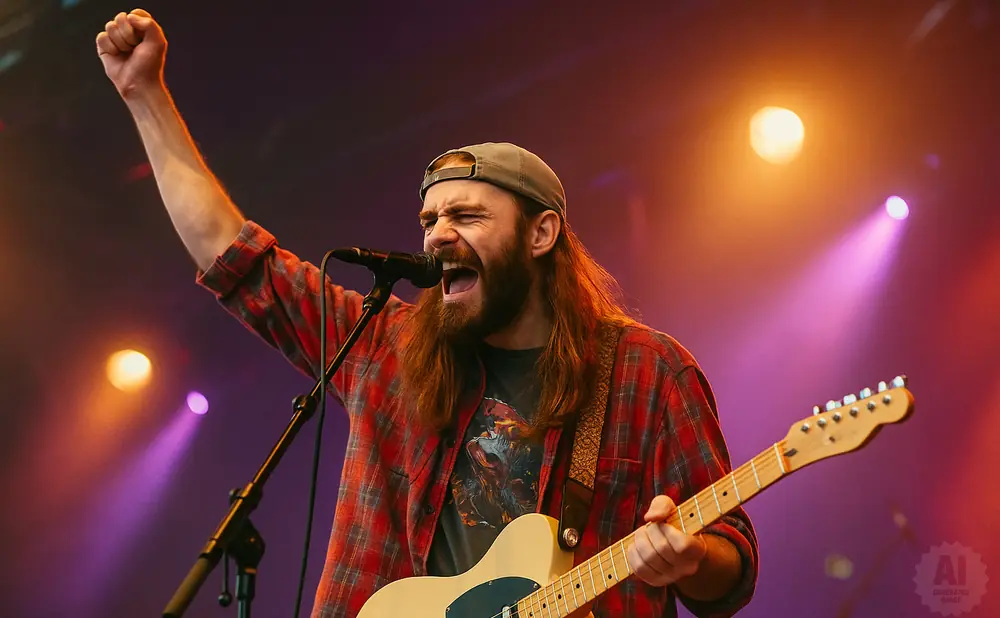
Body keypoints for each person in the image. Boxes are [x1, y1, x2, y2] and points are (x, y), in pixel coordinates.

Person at [96, 9, 759, 618]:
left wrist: (691, 558)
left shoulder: (647, 371)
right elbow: (233, 254)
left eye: (466, 216)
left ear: (541, 234)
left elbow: (731, 565)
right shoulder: (384, 346)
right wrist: (144, 95)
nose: (438, 235)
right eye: (429, 220)